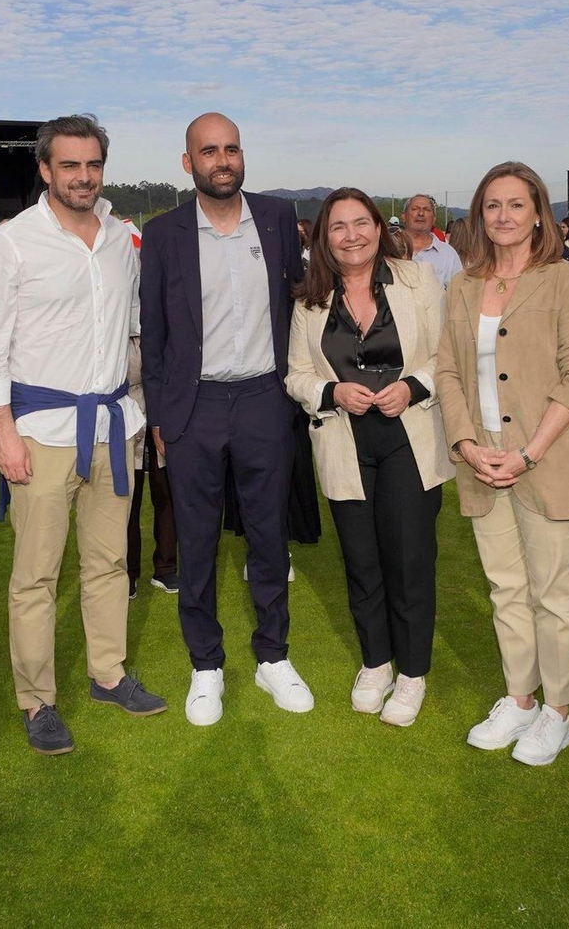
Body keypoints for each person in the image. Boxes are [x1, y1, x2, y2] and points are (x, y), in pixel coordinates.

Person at [0, 114, 166, 755]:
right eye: (70, 165)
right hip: (40, 432)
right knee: (35, 576)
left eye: (93, 165)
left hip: (115, 426)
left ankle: (107, 675)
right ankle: (37, 702)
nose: (83, 176)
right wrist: (3, 431)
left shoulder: (122, 238)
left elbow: (137, 328)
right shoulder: (14, 242)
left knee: (110, 562)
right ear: (45, 170)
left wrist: (144, 405)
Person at [140, 112, 310, 726]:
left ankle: (273, 655)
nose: (223, 160)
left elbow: (298, 301)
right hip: (195, 406)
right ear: (188, 163)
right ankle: (205, 664)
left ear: (243, 155)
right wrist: (161, 415)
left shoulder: (276, 218)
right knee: (198, 539)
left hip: (266, 398)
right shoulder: (163, 235)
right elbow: (155, 335)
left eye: (232, 149)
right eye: (208, 151)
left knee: (269, 534)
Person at [434, 163, 569, 766]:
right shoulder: (461, 285)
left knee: (554, 593)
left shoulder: (562, 280)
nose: (503, 216)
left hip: (545, 461)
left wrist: (529, 452)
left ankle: (558, 712)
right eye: (492, 205)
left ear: (538, 213)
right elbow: (448, 370)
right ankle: (520, 698)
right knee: (506, 589)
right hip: (481, 461)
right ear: (480, 215)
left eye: (516, 204)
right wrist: (466, 445)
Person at [284, 188, 452, 727]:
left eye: (362, 222)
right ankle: (377, 663)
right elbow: (294, 375)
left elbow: (447, 354)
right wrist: (332, 394)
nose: (351, 234)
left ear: (380, 229)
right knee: (361, 560)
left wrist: (414, 387)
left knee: (409, 560)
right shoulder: (310, 300)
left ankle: (412, 673)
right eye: (339, 226)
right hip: (343, 441)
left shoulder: (417, 280)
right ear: (323, 237)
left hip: (409, 435)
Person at [126, 331, 178, 599]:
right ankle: (128, 572)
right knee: (128, 499)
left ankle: (166, 567)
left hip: (163, 416)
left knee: (166, 494)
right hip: (126, 421)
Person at [403, 194, 463, 287]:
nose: (421, 213)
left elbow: (458, 292)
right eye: (415, 209)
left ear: (434, 218)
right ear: (403, 216)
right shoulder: (388, 248)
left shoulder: (448, 254)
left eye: (427, 210)